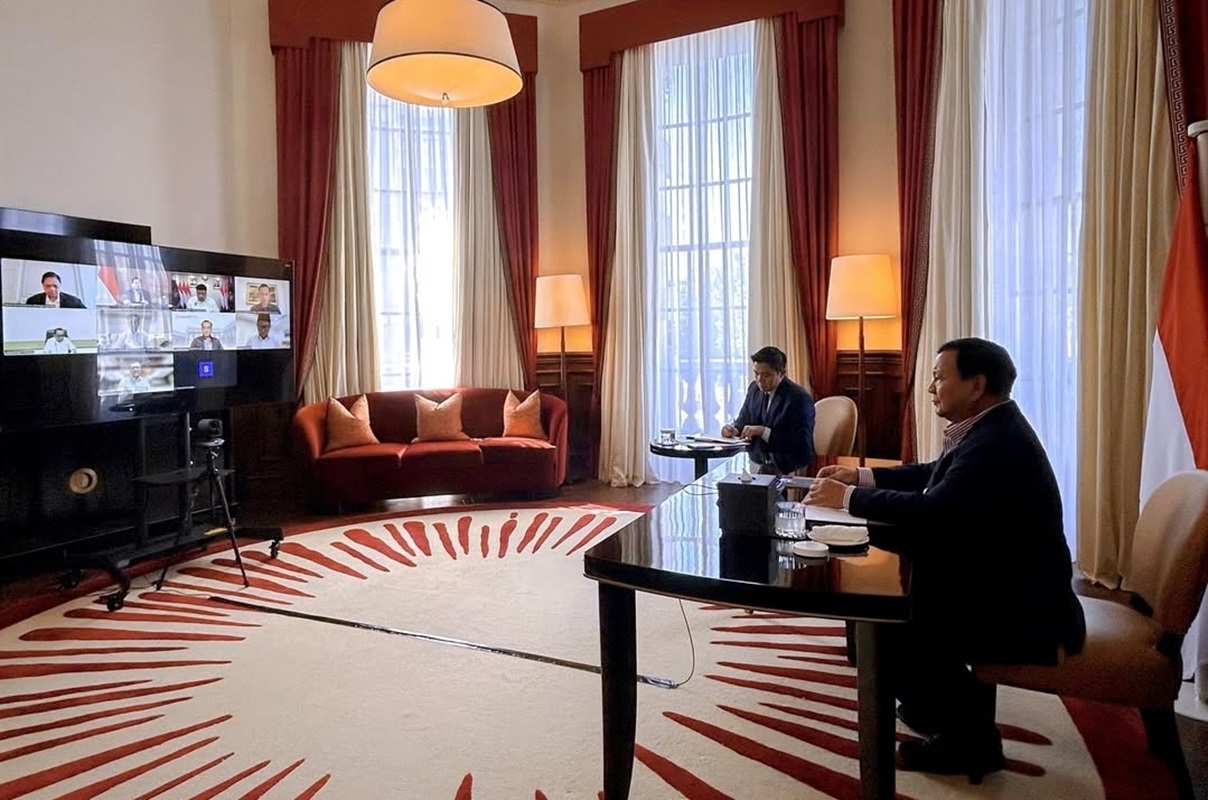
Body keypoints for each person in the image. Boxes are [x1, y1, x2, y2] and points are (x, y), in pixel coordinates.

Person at [804, 337, 1085, 778]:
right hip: (1002, 575)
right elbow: (935, 475)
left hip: (1025, 606)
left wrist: (847, 499)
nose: (931, 387)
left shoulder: (997, 442)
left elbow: (935, 510)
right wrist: (859, 477)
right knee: (892, 598)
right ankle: (935, 707)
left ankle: (971, 742)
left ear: (976, 386)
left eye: (939, 377)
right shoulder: (991, 428)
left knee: (890, 623)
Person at [720, 346, 815, 474]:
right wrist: (734, 430)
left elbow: (800, 443)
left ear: (781, 373)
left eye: (766, 375)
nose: (759, 380)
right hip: (757, 463)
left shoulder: (799, 398)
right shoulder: (754, 389)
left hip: (790, 467)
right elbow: (743, 420)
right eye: (756, 373)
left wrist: (763, 431)